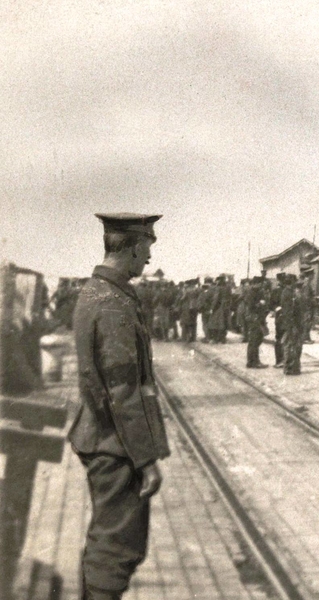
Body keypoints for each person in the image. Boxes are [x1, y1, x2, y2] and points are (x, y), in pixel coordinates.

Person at [70, 213, 170, 600]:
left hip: (107, 438)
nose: (149, 256)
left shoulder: (100, 293)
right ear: (131, 247)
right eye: (147, 246)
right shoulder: (112, 303)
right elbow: (122, 390)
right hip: (116, 445)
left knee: (109, 544)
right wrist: (145, 460)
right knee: (115, 550)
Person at [244, 276, 268, 368]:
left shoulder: (256, 292)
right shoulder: (251, 293)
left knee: (256, 340)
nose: (261, 285)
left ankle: (252, 361)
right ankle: (253, 362)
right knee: (255, 340)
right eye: (260, 283)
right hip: (254, 318)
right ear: (255, 284)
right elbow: (250, 306)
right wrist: (260, 304)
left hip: (257, 318)